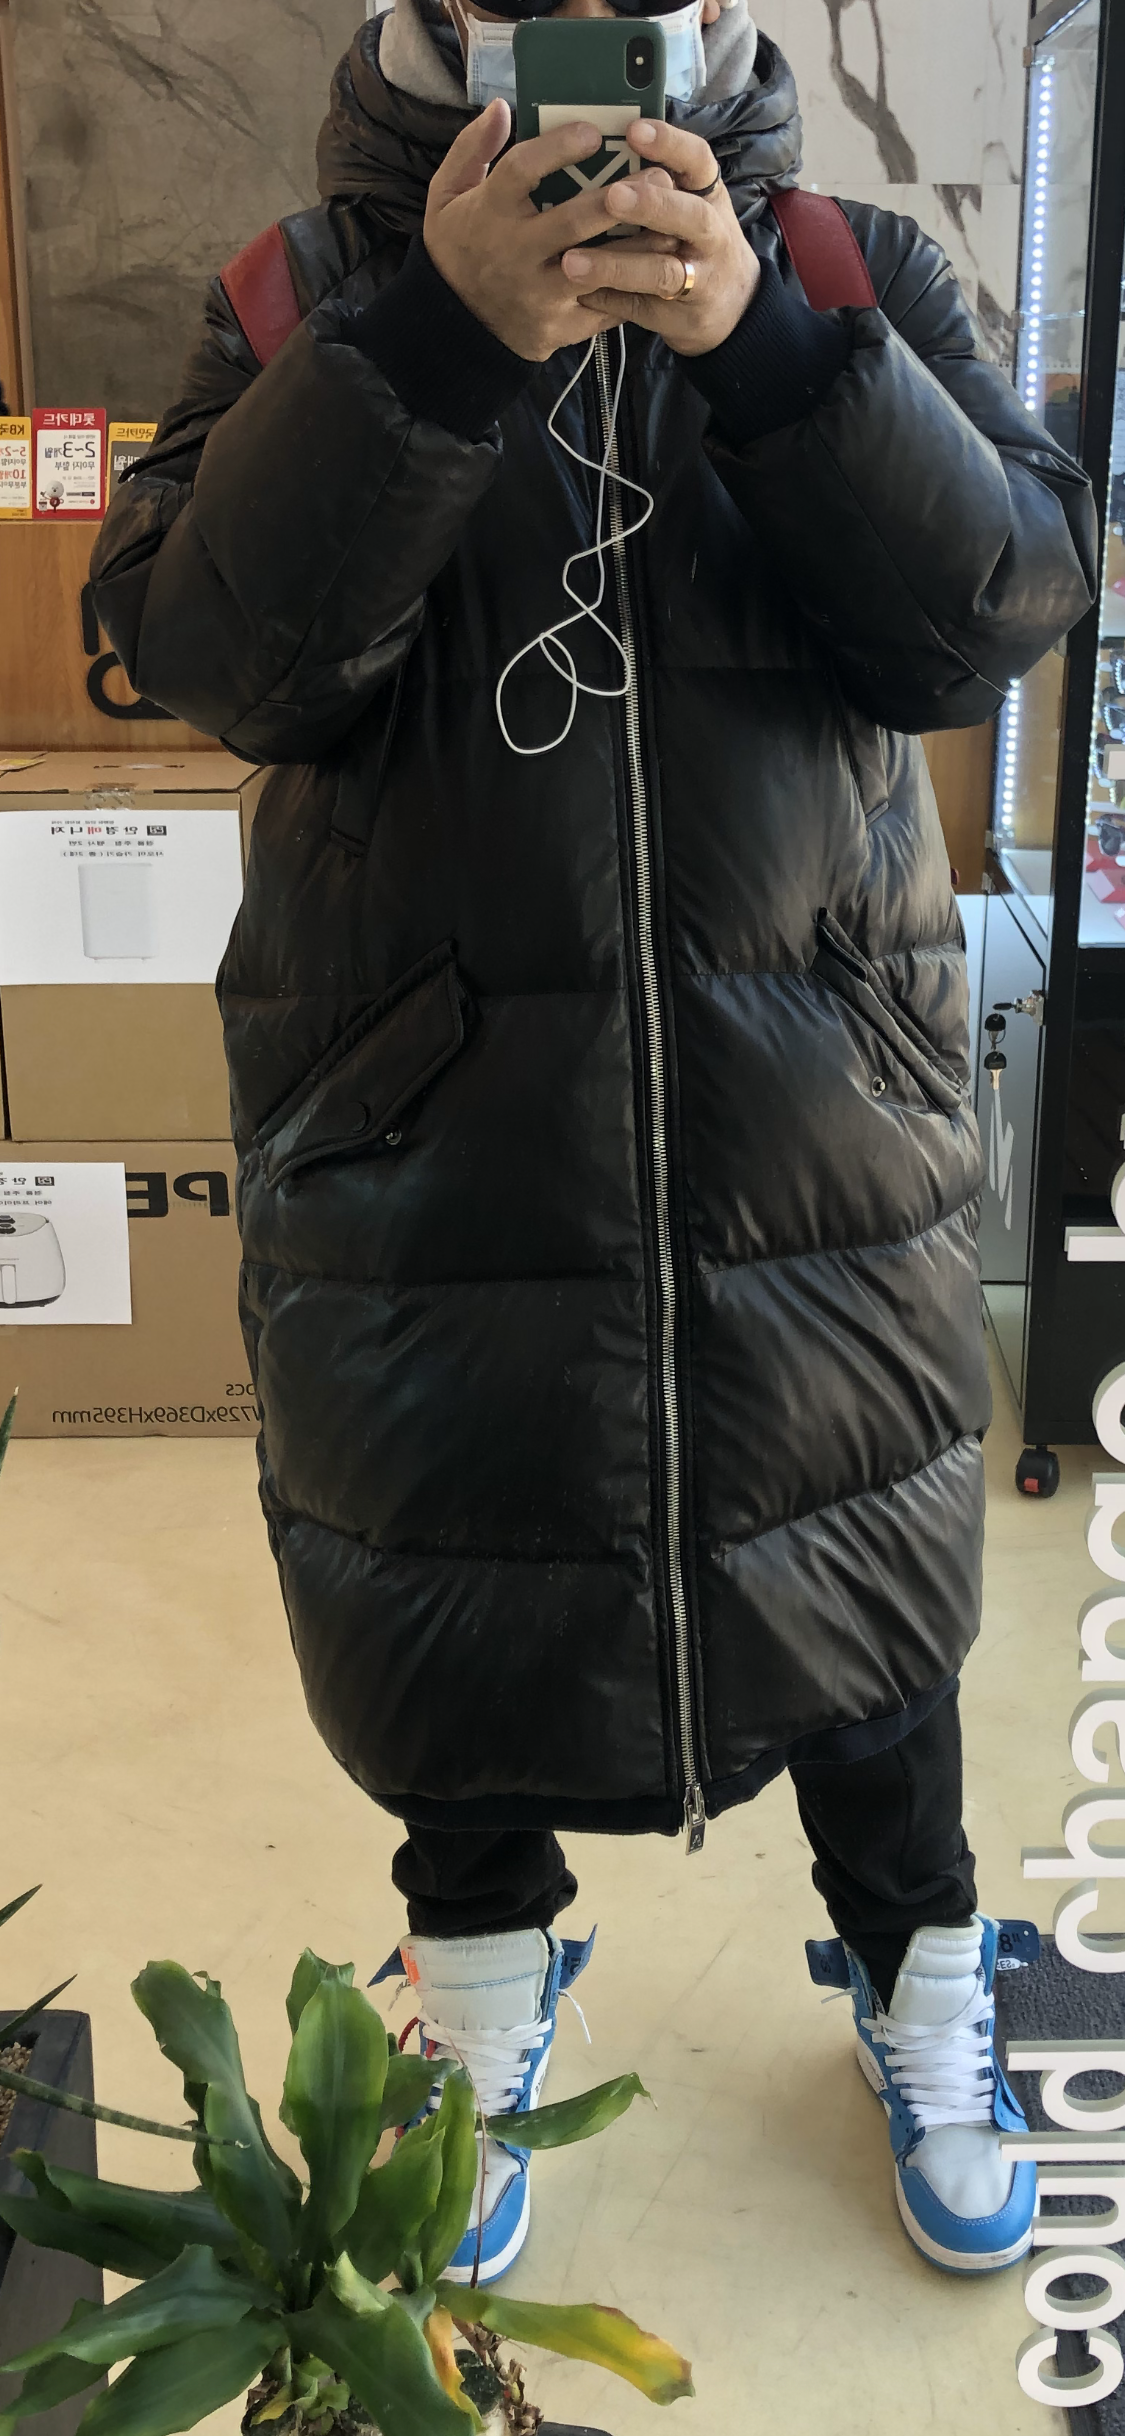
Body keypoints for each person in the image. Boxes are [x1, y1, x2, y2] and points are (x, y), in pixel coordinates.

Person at [92, 0, 1095, 2289]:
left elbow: (992, 619)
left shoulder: (849, 266)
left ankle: (922, 1980)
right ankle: (474, 1999)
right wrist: (434, 342)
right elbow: (211, 653)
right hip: (427, 1120)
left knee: (862, 1576)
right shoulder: (297, 292)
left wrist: (772, 355)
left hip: (817, 1105)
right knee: (450, 1573)